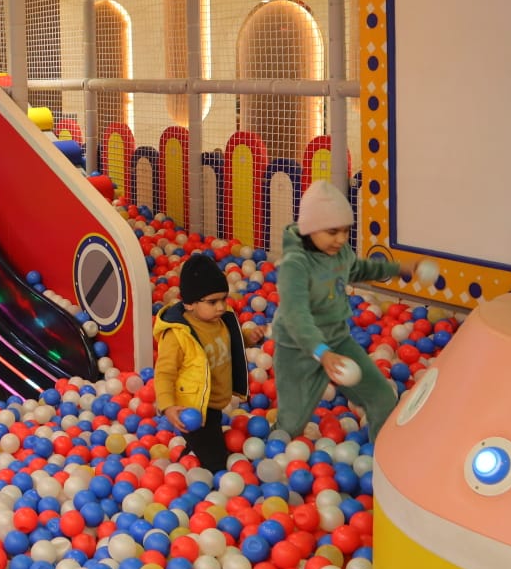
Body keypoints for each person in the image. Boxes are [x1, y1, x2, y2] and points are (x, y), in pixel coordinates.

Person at [272, 180, 413, 442]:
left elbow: (357, 269)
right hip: (298, 350)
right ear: (311, 228)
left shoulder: (339, 252)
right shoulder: (296, 265)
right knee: (290, 427)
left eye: (346, 231)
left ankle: (380, 460)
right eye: (332, 231)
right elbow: (296, 316)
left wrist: (395, 269)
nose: (341, 239)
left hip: (338, 340)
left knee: (382, 398)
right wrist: (321, 353)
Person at [153, 252, 263, 474]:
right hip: (191, 406)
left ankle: (195, 450)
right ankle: (207, 467)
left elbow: (230, 343)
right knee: (216, 463)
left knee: (211, 433)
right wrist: (168, 406)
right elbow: (164, 373)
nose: (221, 307)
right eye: (213, 302)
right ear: (190, 303)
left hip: (212, 402)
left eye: (224, 299)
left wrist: (247, 339)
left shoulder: (220, 321)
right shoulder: (177, 335)